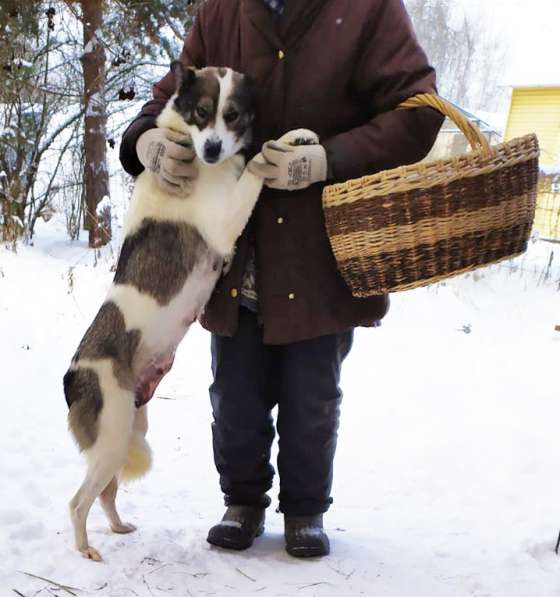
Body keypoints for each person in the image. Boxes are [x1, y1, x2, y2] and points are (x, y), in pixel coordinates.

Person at [120, 0, 443, 558]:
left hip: (319, 248)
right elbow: (171, 94)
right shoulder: (220, 12)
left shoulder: (368, 10)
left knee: (311, 394)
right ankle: (242, 502)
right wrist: (146, 138)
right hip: (229, 249)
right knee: (235, 393)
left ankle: (306, 510)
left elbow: (419, 112)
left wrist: (329, 158)